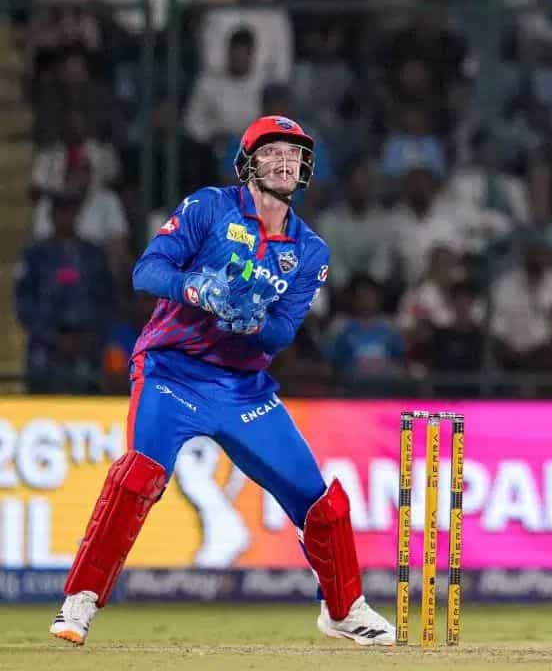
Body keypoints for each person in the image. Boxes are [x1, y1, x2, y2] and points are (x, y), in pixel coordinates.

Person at [49, 116, 395, 646]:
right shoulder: (209, 206)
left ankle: (344, 610)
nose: (284, 161)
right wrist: (197, 289)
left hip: (242, 388)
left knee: (319, 502)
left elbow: (282, 331)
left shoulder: (310, 251)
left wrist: (253, 323)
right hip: (172, 370)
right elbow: (147, 271)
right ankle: (81, 599)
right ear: (247, 162)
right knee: (139, 475)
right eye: (271, 151)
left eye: (294, 154)